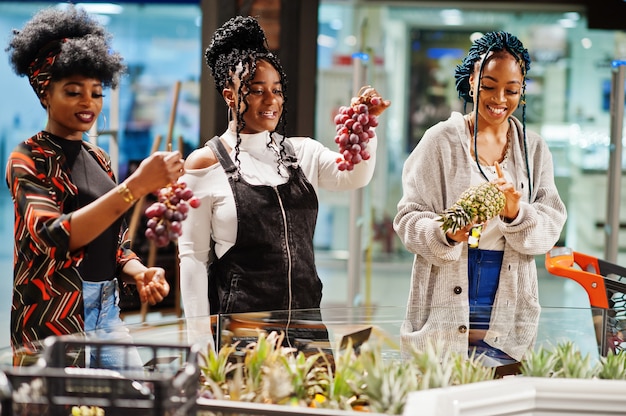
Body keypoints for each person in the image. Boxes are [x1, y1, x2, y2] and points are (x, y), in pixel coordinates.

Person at [178, 16, 389, 346]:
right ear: (230, 96)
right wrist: (199, 343)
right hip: (244, 333)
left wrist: (368, 125)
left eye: (276, 91)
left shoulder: (301, 152)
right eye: (256, 91)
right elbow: (192, 259)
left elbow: (355, 174)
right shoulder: (206, 163)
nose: (271, 100)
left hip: (308, 326)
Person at [5, 5, 185, 367]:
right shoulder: (28, 157)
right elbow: (54, 235)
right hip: (55, 320)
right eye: (73, 91)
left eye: (96, 92)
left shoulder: (99, 158)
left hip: (108, 312)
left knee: (136, 400)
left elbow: (115, 244)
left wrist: (140, 271)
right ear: (45, 94)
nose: (88, 102)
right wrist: (136, 185)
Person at [393, 31, 567, 367]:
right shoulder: (440, 141)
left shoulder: (534, 148)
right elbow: (407, 218)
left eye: (511, 89)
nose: (499, 98)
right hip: (449, 282)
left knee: (499, 393)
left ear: (522, 90)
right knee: (442, 388)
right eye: (488, 85)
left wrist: (516, 212)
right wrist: (445, 231)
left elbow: (552, 224)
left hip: (508, 289)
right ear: (471, 80)